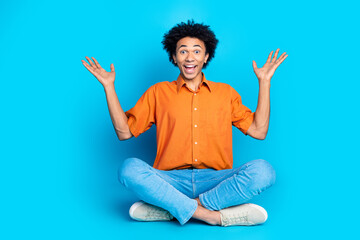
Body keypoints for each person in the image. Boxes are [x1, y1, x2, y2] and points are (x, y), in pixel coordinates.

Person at [81, 20, 288, 227]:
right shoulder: (158, 92)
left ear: (206, 57)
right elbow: (124, 132)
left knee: (264, 171)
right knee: (128, 169)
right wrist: (109, 87)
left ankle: (172, 209)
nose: (190, 57)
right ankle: (212, 216)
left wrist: (265, 82)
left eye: (197, 51)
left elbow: (259, 131)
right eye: (183, 51)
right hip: (170, 182)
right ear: (174, 57)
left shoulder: (226, 93)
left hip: (216, 181)